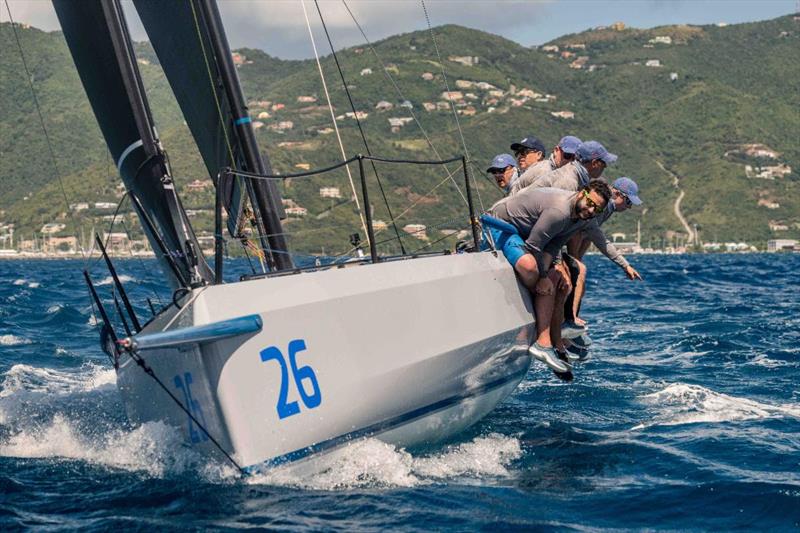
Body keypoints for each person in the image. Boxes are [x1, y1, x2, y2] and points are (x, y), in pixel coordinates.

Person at [482, 180, 612, 375]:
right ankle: (545, 342)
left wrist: (549, 275)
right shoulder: (559, 211)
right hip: (502, 225)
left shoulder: (580, 217)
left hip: (524, 234)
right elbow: (534, 245)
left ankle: (553, 344)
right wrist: (542, 278)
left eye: (598, 210)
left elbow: (552, 246)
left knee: (559, 281)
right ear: (581, 193)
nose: (592, 210)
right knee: (532, 268)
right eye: (590, 203)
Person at [562, 178, 644, 343]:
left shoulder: (608, 209)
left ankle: (571, 318)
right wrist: (625, 265)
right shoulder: (603, 205)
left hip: (576, 239)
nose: (628, 207)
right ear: (617, 194)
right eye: (628, 202)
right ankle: (568, 321)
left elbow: (590, 235)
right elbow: (597, 238)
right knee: (579, 273)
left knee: (580, 275)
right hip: (564, 238)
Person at [510, 135, 582, 194]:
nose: (571, 161)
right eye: (567, 155)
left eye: (576, 159)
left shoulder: (568, 176)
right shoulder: (543, 171)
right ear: (556, 150)